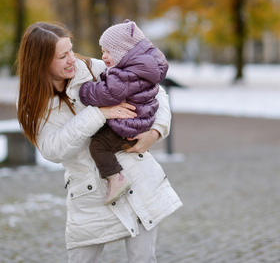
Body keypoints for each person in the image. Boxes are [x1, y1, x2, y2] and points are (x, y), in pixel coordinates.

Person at [15, 21, 182, 263]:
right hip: (89, 195)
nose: (72, 59)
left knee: (143, 259)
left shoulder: (91, 68)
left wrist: (156, 131)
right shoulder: (35, 103)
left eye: (70, 50)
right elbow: (52, 149)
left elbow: (155, 90)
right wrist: (98, 113)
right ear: (41, 63)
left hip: (137, 180)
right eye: (62, 56)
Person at [79, 20, 168, 205]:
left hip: (130, 124)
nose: (103, 56)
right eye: (103, 51)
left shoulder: (124, 75)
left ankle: (116, 179)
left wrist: (85, 90)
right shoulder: (141, 69)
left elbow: (108, 94)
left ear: (123, 51)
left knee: (97, 146)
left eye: (108, 51)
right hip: (142, 119)